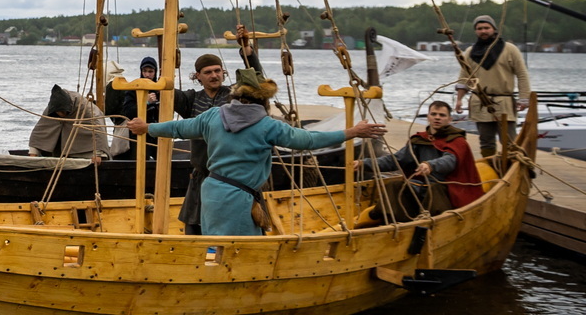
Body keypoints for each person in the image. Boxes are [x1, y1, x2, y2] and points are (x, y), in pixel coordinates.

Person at [147, 69, 385, 236]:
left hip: (211, 193)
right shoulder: (268, 126)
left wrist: (146, 127)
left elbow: (178, 127)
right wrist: (351, 132)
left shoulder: (212, 116)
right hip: (239, 198)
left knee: (214, 246)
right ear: (264, 101)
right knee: (241, 251)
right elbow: (309, 140)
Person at [171, 53, 236, 235]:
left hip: (231, 174)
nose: (214, 75)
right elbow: (167, 89)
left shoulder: (235, 96)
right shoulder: (191, 100)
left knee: (229, 221)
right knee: (192, 223)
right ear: (197, 76)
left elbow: (257, 81)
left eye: (217, 71)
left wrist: (246, 49)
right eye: (208, 72)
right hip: (202, 173)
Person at [454, 14, 531, 159]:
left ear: (494, 29)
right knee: (486, 142)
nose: (483, 31)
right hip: (480, 102)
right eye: (479, 28)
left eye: (486, 28)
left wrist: (524, 98)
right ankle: (491, 170)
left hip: (504, 102)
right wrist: (459, 100)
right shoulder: (470, 52)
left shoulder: (510, 49)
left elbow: (522, 74)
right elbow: (464, 77)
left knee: (509, 142)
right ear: (476, 31)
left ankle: (510, 170)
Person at [393, 100, 484, 210]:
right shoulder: (419, 140)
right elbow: (396, 159)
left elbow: (450, 160)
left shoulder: (457, 141)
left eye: (442, 115)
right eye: (434, 114)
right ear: (428, 117)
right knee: (394, 186)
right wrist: (368, 163)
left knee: (434, 189)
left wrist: (430, 165)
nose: (437, 117)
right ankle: (387, 218)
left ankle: (427, 224)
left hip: (448, 190)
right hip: (422, 187)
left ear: (449, 120)